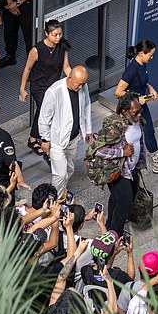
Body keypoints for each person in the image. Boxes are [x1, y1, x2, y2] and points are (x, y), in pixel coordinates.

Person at [114, 40, 158, 174]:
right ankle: (123, 165)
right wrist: (138, 98)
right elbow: (118, 92)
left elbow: (143, 81)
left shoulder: (142, 64)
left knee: (149, 131)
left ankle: (156, 162)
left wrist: (151, 88)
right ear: (142, 53)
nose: (152, 57)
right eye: (151, 55)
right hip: (131, 108)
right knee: (130, 136)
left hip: (140, 105)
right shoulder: (131, 70)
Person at [93, 92, 146, 236]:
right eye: (136, 112)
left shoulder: (137, 121)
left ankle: (110, 224)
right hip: (118, 171)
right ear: (125, 111)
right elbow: (98, 150)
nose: (139, 115)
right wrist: (122, 153)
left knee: (118, 198)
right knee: (125, 201)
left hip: (132, 168)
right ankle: (114, 235)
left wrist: (138, 163)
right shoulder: (114, 127)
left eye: (140, 110)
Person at [19, 19, 71, 158]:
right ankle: (39, 139)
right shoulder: (37, 50)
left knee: (46, 111)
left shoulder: (62, 47)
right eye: (55, 34)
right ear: (46, 33)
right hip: (39, 86)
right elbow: (27, 69)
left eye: (60, 34)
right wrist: (22, 89)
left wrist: (74, 79)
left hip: (54, 86)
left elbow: (66, 67)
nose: (58, 37)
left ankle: (36, 137)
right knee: (45, 109)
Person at [39, 66, 93, 196]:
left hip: (73, 137)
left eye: (83, 84)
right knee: (60, 173)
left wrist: (88, 130)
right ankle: (55, 198)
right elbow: (44, 118)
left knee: (69, 168)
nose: (81, 87)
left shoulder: (83, 87)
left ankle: (62, 190)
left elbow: (86, 106)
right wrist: (45, 139)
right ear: (69, 78)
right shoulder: (54, 91)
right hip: (57, 140)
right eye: (78, 84)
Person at [80, 230, 134, 296]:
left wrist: (113, 253)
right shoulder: (117, 276)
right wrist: (130, 254)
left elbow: (105, 267)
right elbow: (130, 279)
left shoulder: (85, 271)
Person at [0, 0, 33, 69]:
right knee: (9, 30)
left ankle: (32, 64)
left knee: (29, 34)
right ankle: (10, 56)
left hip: (26, 2)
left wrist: (17, 3)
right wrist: (10, 2)